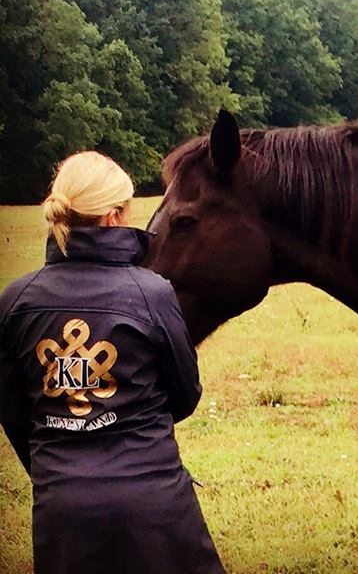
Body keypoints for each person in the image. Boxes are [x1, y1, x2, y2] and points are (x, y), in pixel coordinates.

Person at [0, 151, 225, 574]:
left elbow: (14, 414)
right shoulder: (153, 293)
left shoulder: (14, 303)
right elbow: (186, 394)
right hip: (153, 500)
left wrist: (61, 463)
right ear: (114, 215)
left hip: (61, 510)